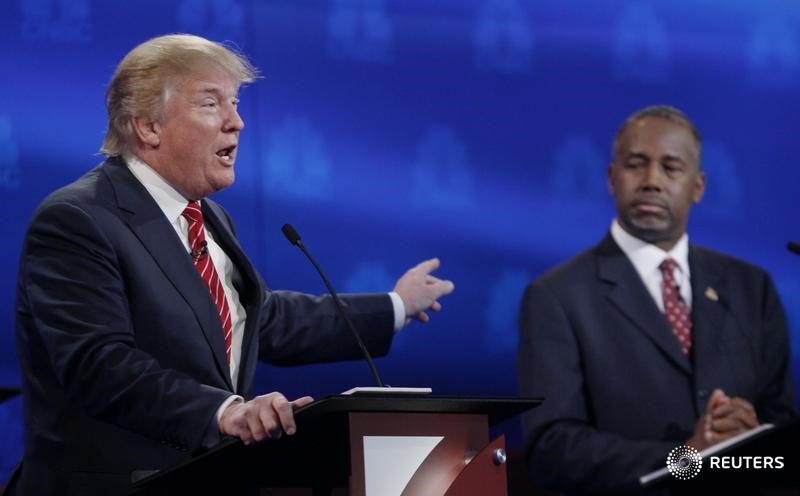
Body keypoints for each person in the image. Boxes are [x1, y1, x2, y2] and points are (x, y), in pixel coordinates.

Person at [11, 34, 454, 495]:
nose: (237, 122)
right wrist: (226, 412)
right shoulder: (79, 219)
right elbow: (99, 365)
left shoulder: (208, 217)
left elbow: (263, 318)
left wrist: (395, 305)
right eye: (211, 104)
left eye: (236, 103)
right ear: (147, 126)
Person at [517, 105, 796, 494]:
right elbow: (552, 449)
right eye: (636, 164)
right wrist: (684, 460)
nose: (652, 180)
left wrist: (751, 439)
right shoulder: (558, 297)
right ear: (612, 178)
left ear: (698, 187)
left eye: (671, 167)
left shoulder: (751, 287)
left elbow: (783, 433)